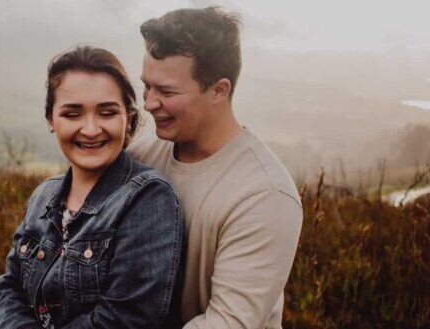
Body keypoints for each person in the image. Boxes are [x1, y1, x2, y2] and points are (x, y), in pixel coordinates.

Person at [128, 7, 303, 329]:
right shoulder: (141, 153)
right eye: (147, 86)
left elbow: (228, 322)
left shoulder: (265, 196)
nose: (149, 103)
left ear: (219, 91)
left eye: (166, 91)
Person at [0, 46, 183, 329]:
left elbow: (126, 320)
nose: (91, 129)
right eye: (72, 114)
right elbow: (9, 287)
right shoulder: (43, 195)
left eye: (107, 113)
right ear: (51, 120)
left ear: (128, 119)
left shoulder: (148, 198)